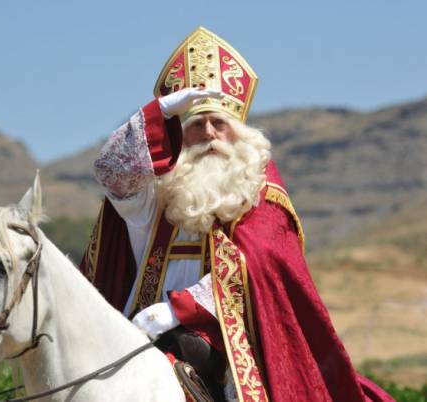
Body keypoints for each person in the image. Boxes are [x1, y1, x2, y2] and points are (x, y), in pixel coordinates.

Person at [79, 26, 393, 402]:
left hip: (228, 338)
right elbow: (110, 171)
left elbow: (256, 265)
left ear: (238, 132)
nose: (209, 134)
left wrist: (179, 310)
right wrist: (160, 112)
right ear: (181, 135)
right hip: (140, 329)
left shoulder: (260, 195)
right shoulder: (158, 196)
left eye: (219, 123)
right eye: (196, 125)